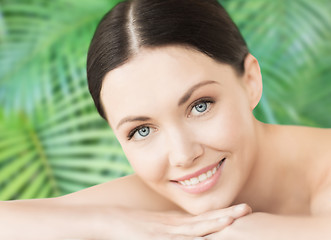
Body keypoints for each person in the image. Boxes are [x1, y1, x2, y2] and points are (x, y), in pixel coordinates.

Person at [1, 0, 331, 239]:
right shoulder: (171, 193)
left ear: (250, 82)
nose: (183, 155)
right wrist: (108, 223)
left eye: (200, 106)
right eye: (141, 130)